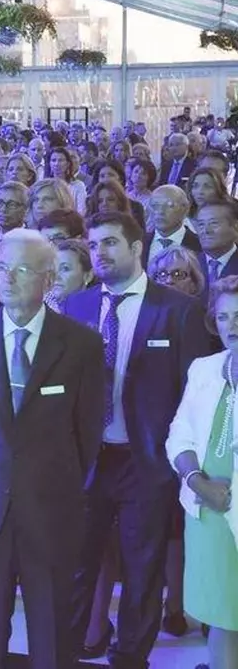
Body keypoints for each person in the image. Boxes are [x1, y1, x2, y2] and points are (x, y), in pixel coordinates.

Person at [0, 228, 105, 669]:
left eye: (20, 270)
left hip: (51, 506)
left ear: (48, 279)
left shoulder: (81, 344)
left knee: (50, 636)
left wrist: (49, 473)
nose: (7, 278)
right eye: (1, 268)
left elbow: (87, 430)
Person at [63, 210, 211, 667]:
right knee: (76, 564)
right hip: (90, 459)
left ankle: (130, 657)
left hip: (146, 462)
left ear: (135, 247)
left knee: (142, 570)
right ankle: (66, 652)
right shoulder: (77, 306)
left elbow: (193, 395)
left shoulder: (179, 310)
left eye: (109, 242)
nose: (99, 253)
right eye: (93, 245)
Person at [166, 275, 238, 669]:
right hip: (208, 513)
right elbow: (179, 433)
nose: (232, 326)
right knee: (222, 610)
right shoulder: (205, 368)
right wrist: (197, 482)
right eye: (223, 317)